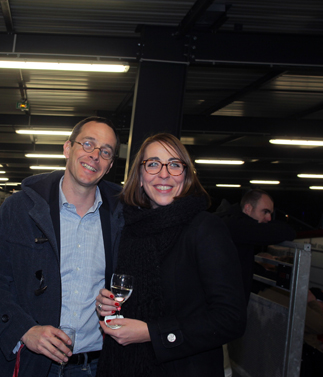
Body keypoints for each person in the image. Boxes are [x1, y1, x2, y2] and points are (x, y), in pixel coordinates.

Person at [0, 116, 124, 377]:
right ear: (67, 148)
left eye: (105, 152)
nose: (95, 156)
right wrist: (25, 330)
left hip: (94, 366)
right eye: (88, 144)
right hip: (31, 362)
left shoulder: (121, 219)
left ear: (110, 164)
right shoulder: (20, 209)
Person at [95, 133, 247, 376]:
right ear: (141, 177)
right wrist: (108, 304)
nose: (163, 174)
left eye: (174, 165)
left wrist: (152, 333)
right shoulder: (130, 230)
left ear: (185, 176)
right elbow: (131, 298)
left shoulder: (205, 228)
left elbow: (231, 319)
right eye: (153, 164)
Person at [216, 189, 296, 302]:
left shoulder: (228, 222)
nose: (269, 218)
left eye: (270, 214)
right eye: (265, 212)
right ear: (248, 208)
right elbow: (288, 232)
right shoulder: (238, 226)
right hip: (223, 304)